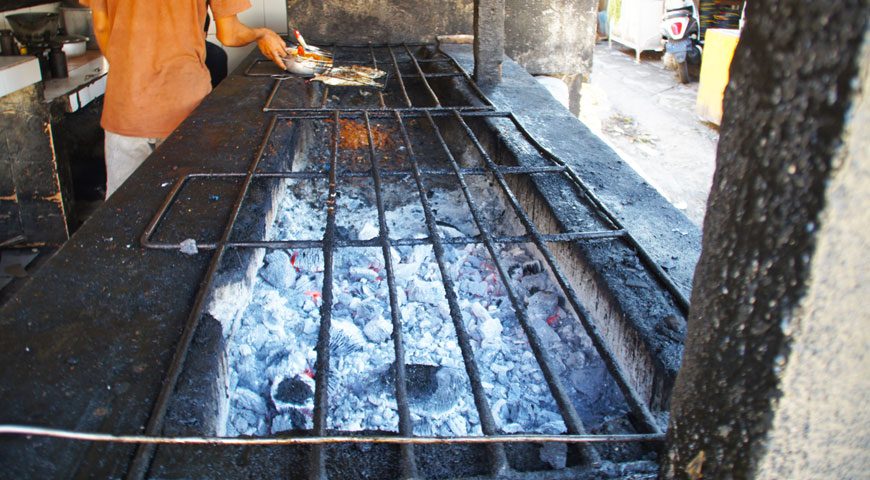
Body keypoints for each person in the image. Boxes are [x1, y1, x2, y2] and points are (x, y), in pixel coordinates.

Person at [79, 0, 289, 198]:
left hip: (126, 103)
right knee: (187, 202)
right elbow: (230, 34)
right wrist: (261, 33)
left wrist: (130, 70)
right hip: (185, 105)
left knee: (122, 207)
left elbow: (102, 26)